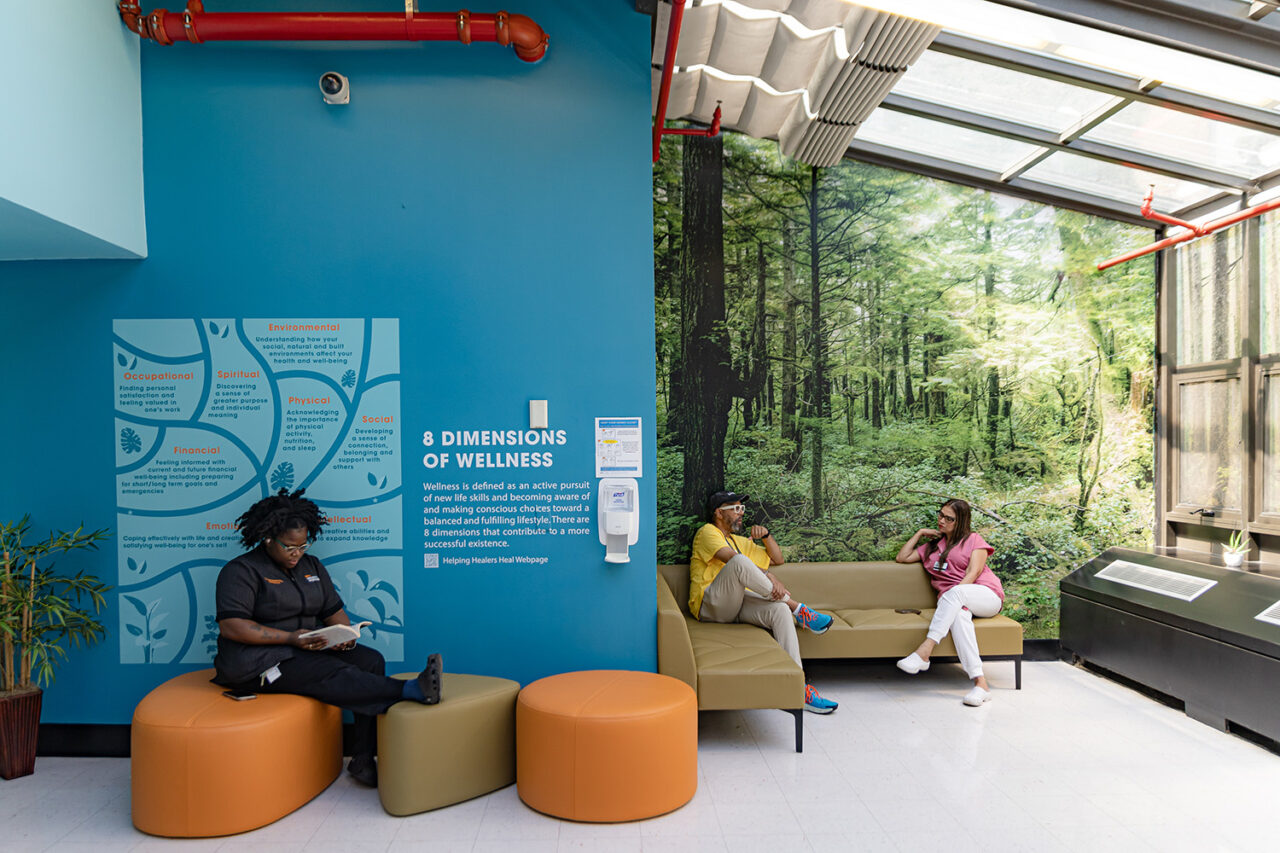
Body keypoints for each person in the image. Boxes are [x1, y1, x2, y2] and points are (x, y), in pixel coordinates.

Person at [212, 488, 442, 787]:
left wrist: (344, 635)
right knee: (333, 672)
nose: (297, 553)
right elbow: (233, 626)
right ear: (267, 538)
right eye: (289, 547)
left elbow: (332, 610)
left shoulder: (312, 566)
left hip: (305, 648)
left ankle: (363, 758)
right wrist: (290, 639)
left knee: (370, 660)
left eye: (303, 545)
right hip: (257, 663)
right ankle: (411, 689)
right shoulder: (241, 571)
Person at [690, 490, 838, 714]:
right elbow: (732, 559)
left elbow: (778, 559)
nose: (741, 514)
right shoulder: (707, 532)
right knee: (740, 561)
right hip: (709, 605)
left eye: (743, 509)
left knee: (779, 610)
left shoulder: (739, 541)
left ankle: (797, 686)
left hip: (735, 605)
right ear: (719, 513)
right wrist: (769, 576)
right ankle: (798, 608)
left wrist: (767, 536)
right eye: (736, 509)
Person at [893, 498, 1004, 707]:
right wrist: (919, 534)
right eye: (941, 514)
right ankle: (981, 685)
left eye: (948, 518)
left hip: (986, 596)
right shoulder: (932, 546)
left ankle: (925, 651)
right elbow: (902, 557)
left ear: (960, 521)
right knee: (960, 618)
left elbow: (974, 572)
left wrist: (957, 595)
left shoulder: (973, 540)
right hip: (956, 603)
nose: (941, 520)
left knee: (953, 595)